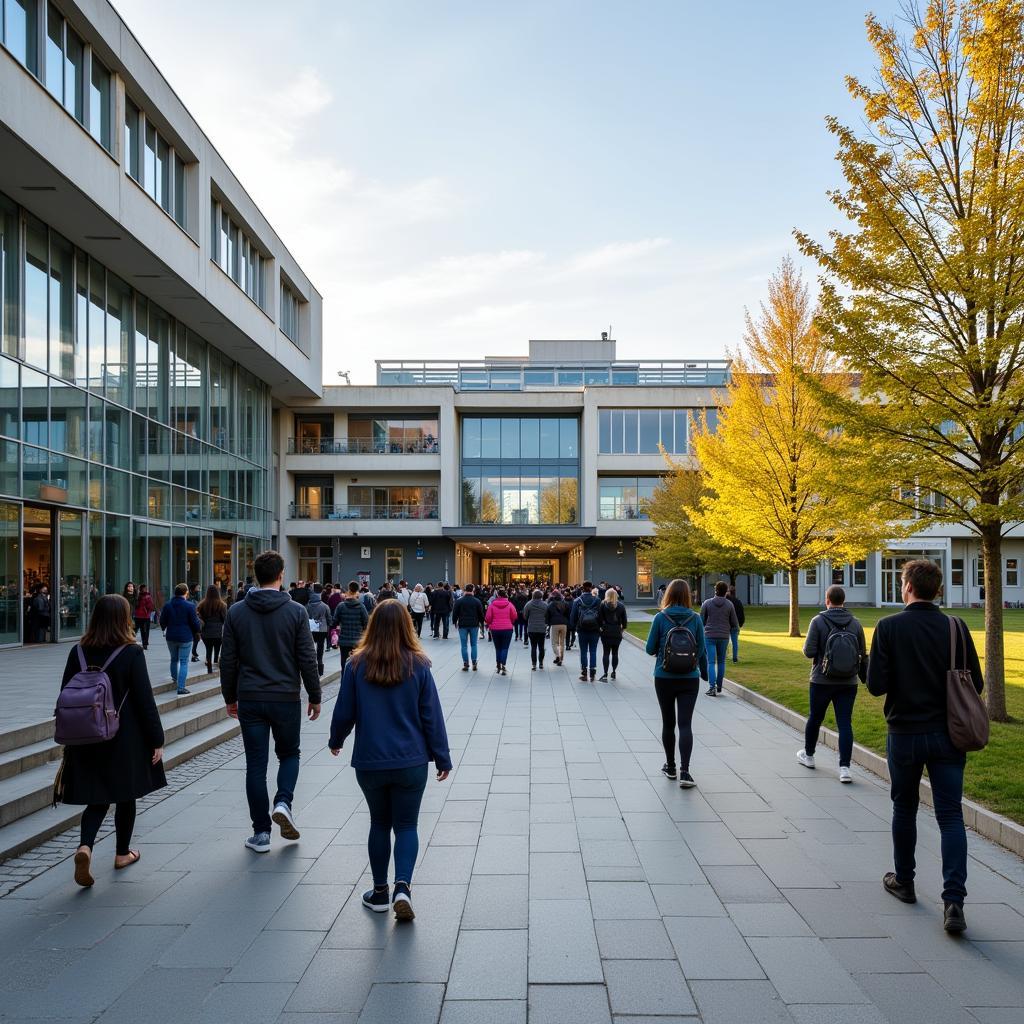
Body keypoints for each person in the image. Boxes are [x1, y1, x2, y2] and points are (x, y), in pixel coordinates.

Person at [867, 559, 982, 935]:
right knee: (950, 815)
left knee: (905, 806)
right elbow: (975, 684)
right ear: (939, 589)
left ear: (907, 586)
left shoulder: (888, 627)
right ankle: (953, 902)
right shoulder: (955, 626)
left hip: (904, 732)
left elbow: (876, 686)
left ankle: (904, 880)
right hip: (948, 733)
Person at [329, 600, 451, 921]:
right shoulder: (419, 665)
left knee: (379, 823)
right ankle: (403, 888)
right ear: (406, 626)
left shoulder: (356, 665)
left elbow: (345, 711)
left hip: (371, 761)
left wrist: (336, 740)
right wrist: (442, 758)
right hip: (411, 761)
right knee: (407, 825)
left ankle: (380, 891)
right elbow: (432, 717)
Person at [58, 595, 165, 887]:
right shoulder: (131, 653)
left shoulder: (78, 651)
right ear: (124, 618)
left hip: (84, 736)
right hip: (123, 736)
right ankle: (121, 853)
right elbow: (145, 701)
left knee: (97, 798)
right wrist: (157, 739)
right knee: (124, 795)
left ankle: (85, 847)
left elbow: (66, 695)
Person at [220, 550, 322, 854]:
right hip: (285, 697)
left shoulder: (237, 612)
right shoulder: (295, 612)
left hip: (250, 697)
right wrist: (314, 695)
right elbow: (307, 657)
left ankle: (261, 833)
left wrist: (229, 697)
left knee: (255, 764)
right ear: (281, 575)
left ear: (256, 576)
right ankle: (283, 802)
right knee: (289, 754)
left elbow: (228, 660)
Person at [798, 584, 866, 783]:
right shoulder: (855, 623)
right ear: (843, 601)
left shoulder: (818, 621)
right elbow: (862, 653)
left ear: (827, 600)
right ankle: (845, 768)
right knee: (845, 723)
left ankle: (809, 755)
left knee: (815, 718)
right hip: (848, 681)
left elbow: (809, 651)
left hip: (821, 679)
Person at [645, 578, 708, 788]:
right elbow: (700, 650)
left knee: (668, 723)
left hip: (664, 676)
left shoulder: (660, 618)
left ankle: (670, 766)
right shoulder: (696, 618)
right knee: (685, 724)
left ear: (668, 595)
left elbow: (649, 648)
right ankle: (685, 771)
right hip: (689, 678)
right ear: (687, 596)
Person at [159, 583, 201, 695]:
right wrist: (198, 630)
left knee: (174, 659)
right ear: (186, 592)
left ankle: (174, 679)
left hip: (171, 636)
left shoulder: (167, 605)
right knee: (183, 662)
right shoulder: (190, 606)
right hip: (185, 637)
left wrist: (165, 627)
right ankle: (181, 687)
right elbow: (195, 623)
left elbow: (162, 621)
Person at [700, 581, 739, 696]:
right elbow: (734, 623)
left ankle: (712, 688)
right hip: (723, 636)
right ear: (726, 591)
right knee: (721, 661)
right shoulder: (729, 605)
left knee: (711, 662)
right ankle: (719, 686)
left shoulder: (707, 603)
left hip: (709, 636)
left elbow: (701, 620)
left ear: (715, 590)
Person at [334, 581, 370, 671]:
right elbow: (366, 623)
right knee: (358, 667)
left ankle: (344, 683)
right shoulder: (361, 607)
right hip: (357, 641)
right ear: (357, 591)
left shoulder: (341, 606)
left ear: (348, 590)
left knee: (344, 666)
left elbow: (334, 622)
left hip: (344, 641)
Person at [570, 583, 602, 682]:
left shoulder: (577, 600)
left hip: (582, 629)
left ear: (582, 589)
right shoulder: (597, 600)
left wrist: (574, 627)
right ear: (591, 588)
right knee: (593, 651)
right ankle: (592, 672)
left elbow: (573, 616)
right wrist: (600, 626)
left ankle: (584, 672)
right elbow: (601, 615)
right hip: (595, 629)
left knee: (583, 651)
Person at [452, 583, 485, 671]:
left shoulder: (459, 601)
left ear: (465, 590)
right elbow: (481, 614)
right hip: (474, 625)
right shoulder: (477, 601)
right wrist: (482, 623)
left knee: (464, 645)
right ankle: (474, 662)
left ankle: (466, 663)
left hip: (462, 625)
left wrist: (454, 621)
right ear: (473, 590)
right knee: (474, 644)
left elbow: (455, 613)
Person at [485, 587, 517, 675]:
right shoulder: (510, 605)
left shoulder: (492, 605)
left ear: (497, 595)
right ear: (506, 595)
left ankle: (498, 664)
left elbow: (487, 618)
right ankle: (503, 665)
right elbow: (514, 616)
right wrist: (510, 622)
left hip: (495, 629)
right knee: (505, 647)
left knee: (498, 648)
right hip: (507, 629)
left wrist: (490, 624)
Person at [196, 585, 228, 674]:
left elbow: (199, 618)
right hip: (218, 632)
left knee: (208, 649)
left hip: (206, 632)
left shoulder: (202, 604)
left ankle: (209, 668)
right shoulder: (222, 605)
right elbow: (225, 619)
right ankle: (215, 663)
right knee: (217, 648)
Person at [598, 588, 628, 681]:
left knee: (606, 653)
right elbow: (625, 621)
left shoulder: (603, 604)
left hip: (606, 631)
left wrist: (601, 628)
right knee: (615, 653)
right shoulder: (621, 606)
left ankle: (605, 673)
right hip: (616, 631)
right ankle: (614, 672)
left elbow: (599, 618)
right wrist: (621, 630)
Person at [306, 583, 332, 676]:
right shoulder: (324, 606)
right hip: (322, 629)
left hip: (311, 629)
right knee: (320, 648)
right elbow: (329, 619)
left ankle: (311, 666)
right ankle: (320, 666)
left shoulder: (307, 605)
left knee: (310, 647)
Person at [521, 589, 550, 670]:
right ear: (541, 596)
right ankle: (541, 663)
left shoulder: (528, 604)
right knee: (541, 646)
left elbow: (525, 616)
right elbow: (547, 616)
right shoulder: (545, 605)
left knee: (533, 647)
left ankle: (534, 664)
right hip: (542, 628)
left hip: (531, 628)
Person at [547, 589, 571, 666]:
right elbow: (568, 614)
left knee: (554, 642)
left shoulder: (551, 604)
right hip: (564, 624)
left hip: (554, 624)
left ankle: (557, 656)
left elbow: (547, 615)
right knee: (562, 643)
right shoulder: (565, 604)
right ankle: (561, 659)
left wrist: (548, 623)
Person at [132, 584, 155, 650]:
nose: (144, 589)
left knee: (142, 631)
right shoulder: (139, 596)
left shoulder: (147, 596)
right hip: (140, 616)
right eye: (143, 588)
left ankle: (144, 644)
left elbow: (150, 606)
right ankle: (144, 644)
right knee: (140, 630)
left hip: (144, 616)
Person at [726, 585, 745, 663]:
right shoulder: (738, 601)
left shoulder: (725, 602)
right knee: (735, 642)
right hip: (735, 625)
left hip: (726, 625)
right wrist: (740, 624)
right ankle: (735, 658)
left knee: (725, 641)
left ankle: (724, 656)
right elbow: (741, 614)